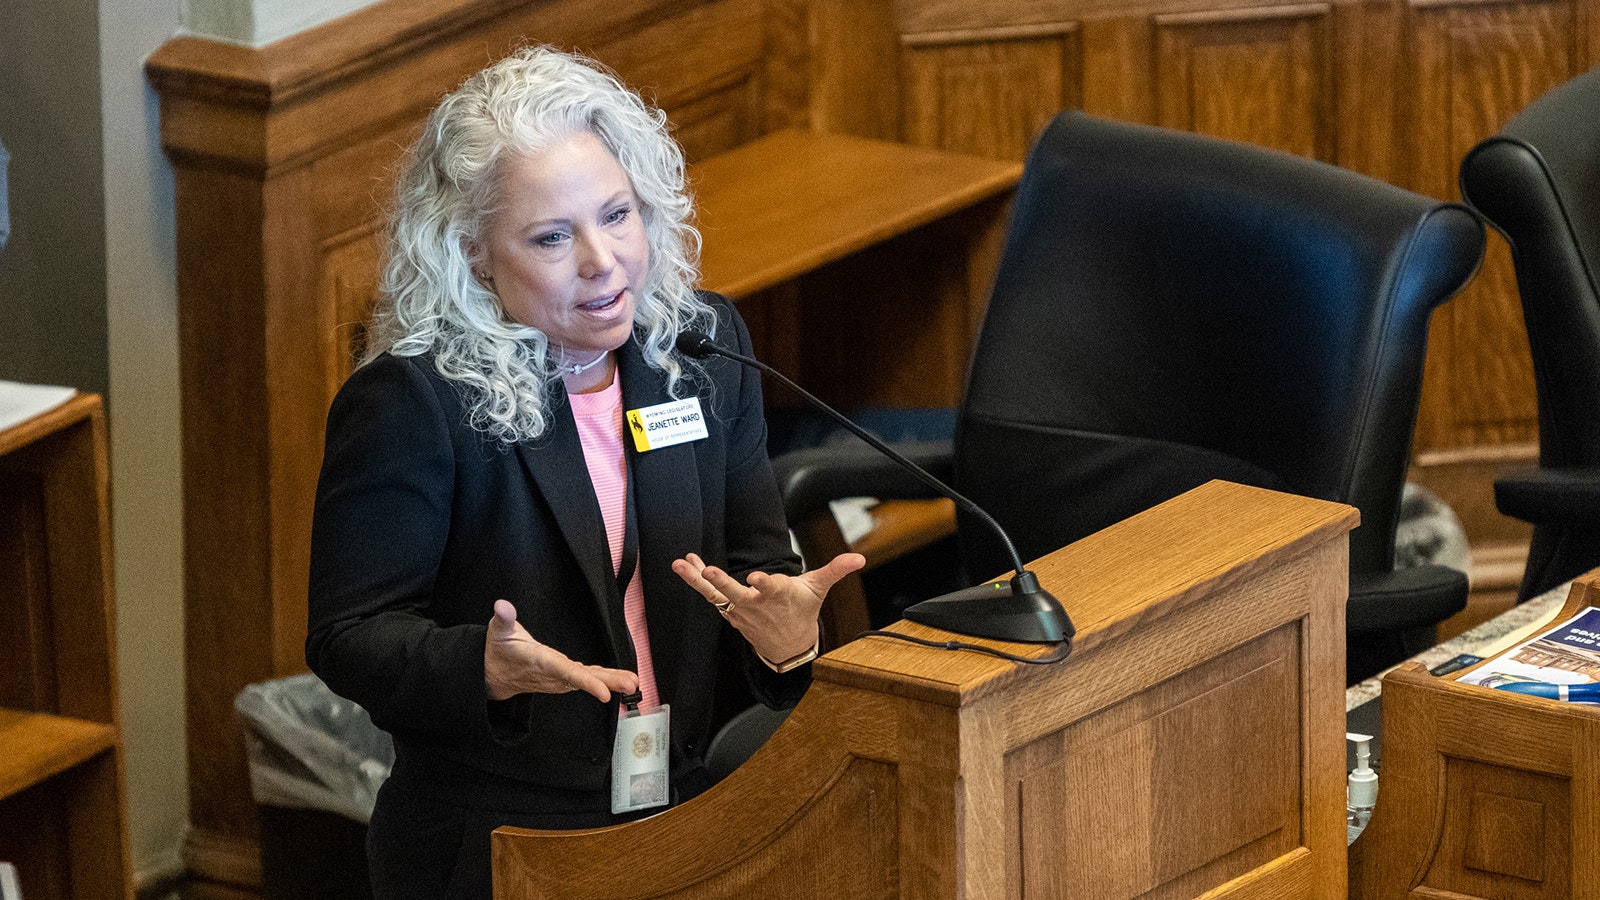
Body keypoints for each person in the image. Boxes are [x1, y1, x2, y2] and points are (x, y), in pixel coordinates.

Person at [305, 45, 864, 899]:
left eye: (617, 214)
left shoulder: (699, 350)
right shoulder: (414, 399)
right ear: (474, 255)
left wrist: (787, 641)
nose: (603, 262)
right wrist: (482, 668)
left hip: (683, 806)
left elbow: (760, 573)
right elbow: (349, 635)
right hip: (496, 838)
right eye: (553, 237)